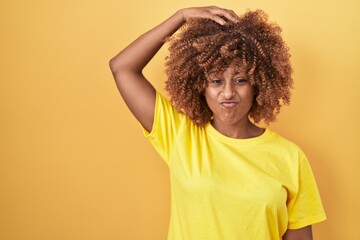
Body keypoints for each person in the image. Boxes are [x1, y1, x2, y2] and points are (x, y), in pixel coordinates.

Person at [109, 6, 326, 240]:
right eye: (216, 81)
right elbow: (122, 68)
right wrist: (181, 17)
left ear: (258, 85)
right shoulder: (181, 135)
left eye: (240, 80)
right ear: (201, 87)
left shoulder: (290, 157)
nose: (228, 92)